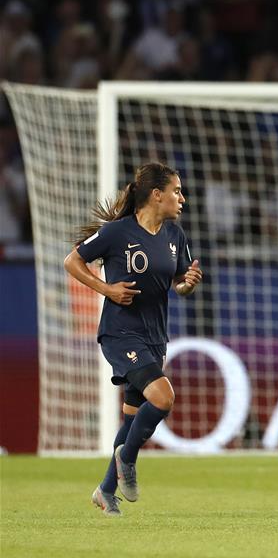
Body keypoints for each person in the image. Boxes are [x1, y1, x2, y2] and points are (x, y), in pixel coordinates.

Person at [64, 162, 201, 516]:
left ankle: (106, 491)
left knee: (133, 417)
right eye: (176, 191)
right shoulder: (116, 232)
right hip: (121, 332)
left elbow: (180, 283)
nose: (181, 198)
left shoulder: (174, 236)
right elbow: (73, 261)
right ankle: (127, 459)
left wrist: (188, 283)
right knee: (164, 397)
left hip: (155, 336)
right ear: (157, 195)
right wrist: (106, 288)